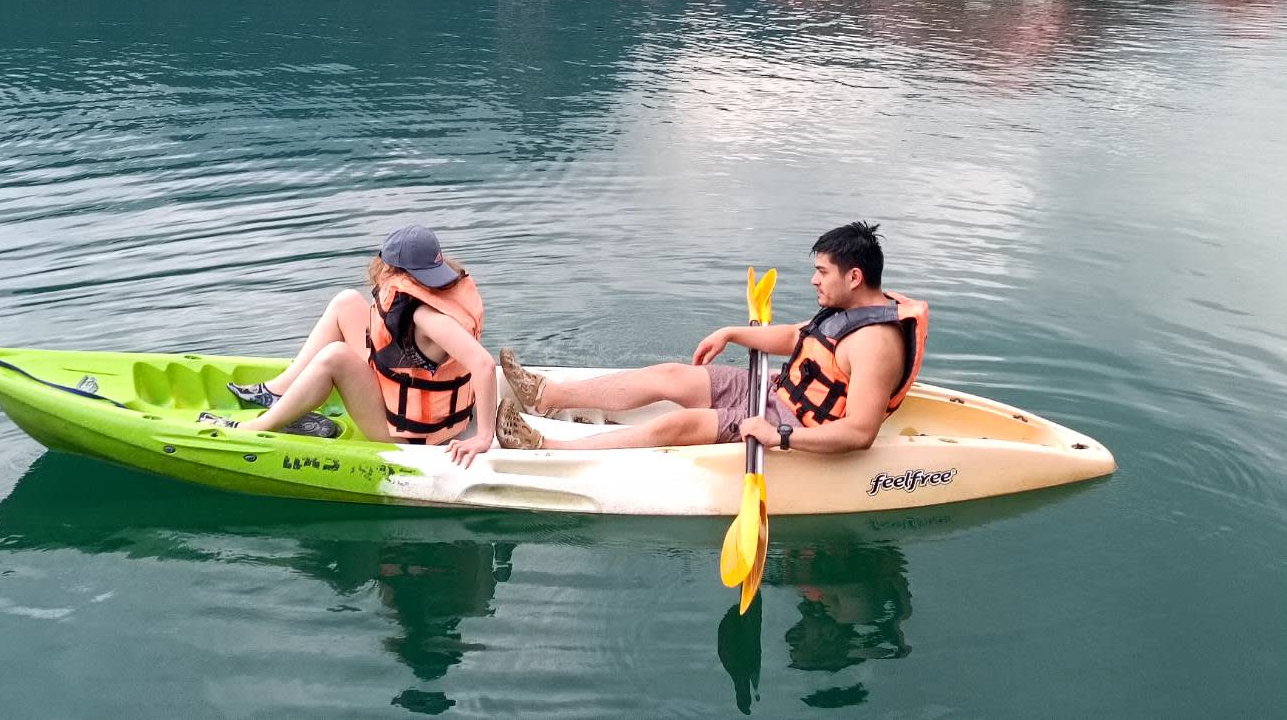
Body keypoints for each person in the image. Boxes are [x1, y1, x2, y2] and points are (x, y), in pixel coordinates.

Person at [495, 222, 926, 454]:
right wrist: (733, 333)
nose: (814, 280)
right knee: (671, 376)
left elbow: (860, 432)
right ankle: (547, 395)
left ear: (854, 276)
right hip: (775, 391)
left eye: (822, 272)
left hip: (792, 425)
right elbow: (802, 337)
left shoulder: (876, 345)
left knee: (680, 424)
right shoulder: (851, 306)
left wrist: (781, 437)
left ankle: (544, 446)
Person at [201, 225, 498, 467]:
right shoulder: (439, 295)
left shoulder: (427, 317)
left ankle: (255, 428)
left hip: (410, 435)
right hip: (411, 399)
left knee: (336, 357)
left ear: (395, 271)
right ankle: (279, 391)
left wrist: (483, 437)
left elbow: (483, 364)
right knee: (347, 302)